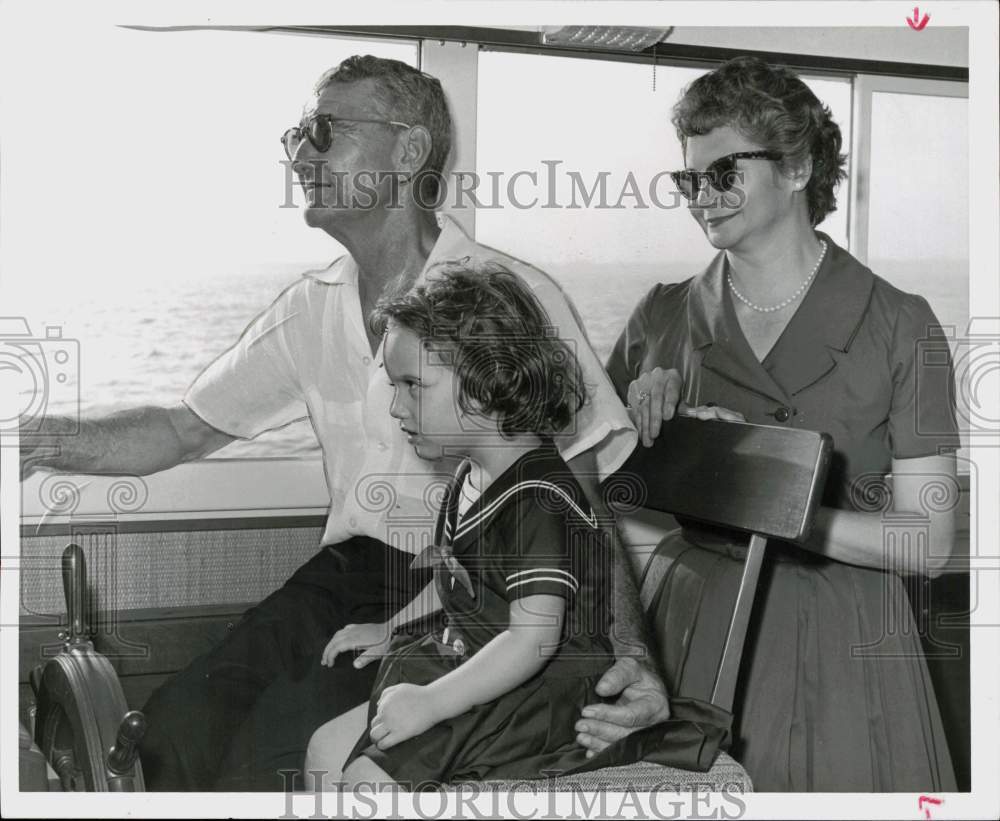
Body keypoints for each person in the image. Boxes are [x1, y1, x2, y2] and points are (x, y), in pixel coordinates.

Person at [19, 55, 670, 790]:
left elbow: (580, 501)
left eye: (324, 131)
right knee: (176, 724)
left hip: (464, 594)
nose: (299, 154)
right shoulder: (311, 306)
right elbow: (182, 429)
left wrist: (634, 660)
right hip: (343, 577)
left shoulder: (509, 299)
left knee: (269, 756)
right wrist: (33, 439)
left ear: (409, 150)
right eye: (297, 134)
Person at [603, 56, 959, 791]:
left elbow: (925, 541)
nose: (703, 195)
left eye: (724, 170)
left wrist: (764, 496)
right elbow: (596, 488)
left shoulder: (901, 325)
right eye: (690, 178)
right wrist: (652, 429)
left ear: (796, 167)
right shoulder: (660, 319)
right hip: (691, 627)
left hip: (842, 636)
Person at [304, 263, 629, 788]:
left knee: (369, 781)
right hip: (483, 659)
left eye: (413, 386)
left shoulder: (539, 498)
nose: (395, 406)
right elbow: (457, 580)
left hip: (538, 691)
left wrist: (432, 701)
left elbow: (532, 641)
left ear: (486, 380)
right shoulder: (470, 476)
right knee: (324, 749)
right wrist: (393, 628)